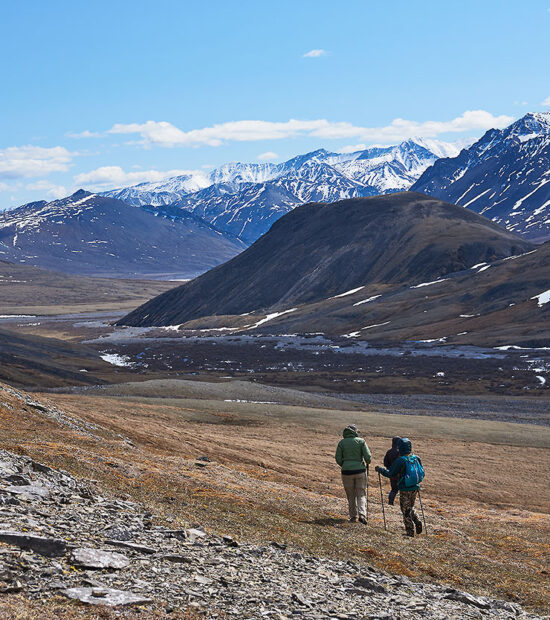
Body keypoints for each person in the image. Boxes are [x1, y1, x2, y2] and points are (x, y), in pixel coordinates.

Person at [375, 437, 423, 537]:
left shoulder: (401, 460)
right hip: (415, 487)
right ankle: (417, 520)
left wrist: (380, 470)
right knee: (409, 506)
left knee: (405, 510)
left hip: (404, 488)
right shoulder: (416, 458)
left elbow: (391, 473)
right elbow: (422, 472)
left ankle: (410, 532)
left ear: (400, 447)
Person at [335, 424, 372, 524]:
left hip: (346, 472)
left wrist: (345, 464)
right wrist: (367, 462)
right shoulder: (361, 441)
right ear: (355, 431)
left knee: (350, 495)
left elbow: (338, 458)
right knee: (361, 493)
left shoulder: (341, 443)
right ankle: (362, 514)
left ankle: (352, 516)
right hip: (360, 471)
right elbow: (368, 457)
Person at [384, 436, 401, 505]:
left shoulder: (389, 452)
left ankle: (390, 503)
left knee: (393, 490)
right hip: (400, 474)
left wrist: (390, 469)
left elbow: (385, 463)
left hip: (392, 474)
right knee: (403, 490)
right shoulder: (400, 452)